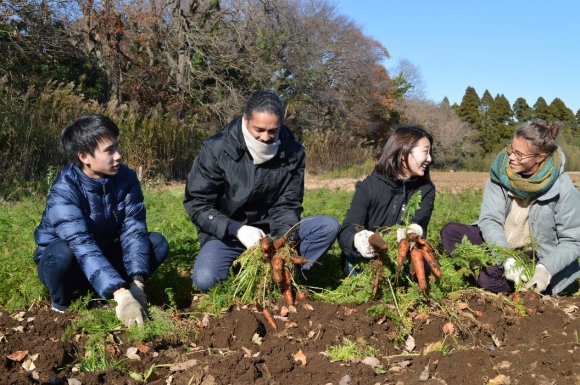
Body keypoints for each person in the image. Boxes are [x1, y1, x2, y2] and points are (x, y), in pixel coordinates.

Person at [184, 90, 340, 292]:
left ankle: (284, 274)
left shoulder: (294, 152)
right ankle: (240, 273)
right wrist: (237, 229)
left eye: (273, 131)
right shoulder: (216, 149)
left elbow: (287, 205)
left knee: (327, 227)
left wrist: (281, 244)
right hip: (227, 235)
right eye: (258, 129)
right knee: (205, 279)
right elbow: (197, 204)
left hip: (272, 232)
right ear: (246, 119)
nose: (265, 137)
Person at [34, 114, 169, 327]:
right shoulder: (64, 190)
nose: (118, 156)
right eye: (109, 151)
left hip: (103, 252)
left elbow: (133, 230)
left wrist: (137, 281)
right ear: (84, 156)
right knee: (62, 252)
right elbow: (82, 245)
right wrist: (121, 293)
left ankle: (105, 289)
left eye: (117, 147)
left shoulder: (126, 178)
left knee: (157, 243)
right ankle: (61, 304)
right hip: (68, 264)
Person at [440, 119, 580, 295]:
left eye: (520, 154)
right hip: (500, 246)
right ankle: (493, 274)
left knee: (489, 277)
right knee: (451, 232)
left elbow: (573, 241)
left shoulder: (562, 186)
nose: (511, 157)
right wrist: (506, 259)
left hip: (534, 254)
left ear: (540, 157)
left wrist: (546, 268)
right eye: (511, 149)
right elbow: (490, 220)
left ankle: (510, 282)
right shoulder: (500, 173)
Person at [338, 126, 435, 277]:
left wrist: (414, 230)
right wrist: (358, 240)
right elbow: (348, 229)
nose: (429, 158)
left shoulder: (425, 189)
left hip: (403, 259)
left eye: (430, 152)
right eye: (425, 152)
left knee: (422, 268)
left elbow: (420, 222)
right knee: (354, 269)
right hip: (367, 261)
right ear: (403, 153)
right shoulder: (369, 187)